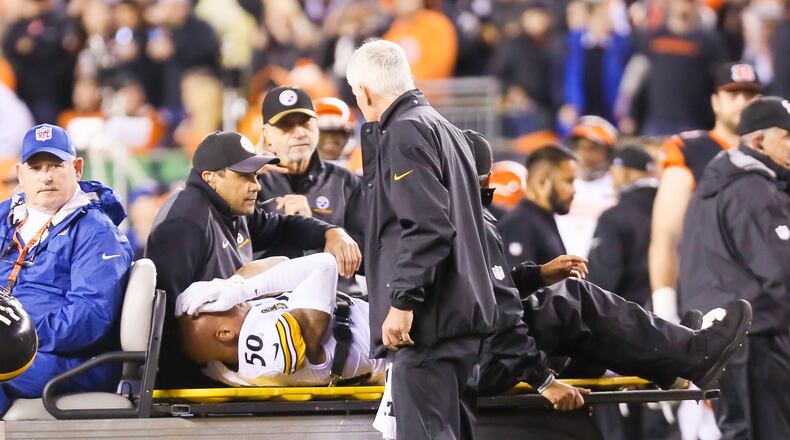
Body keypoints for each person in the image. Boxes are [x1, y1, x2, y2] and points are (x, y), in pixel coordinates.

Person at [346, 40, 496, 440]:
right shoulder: (442, 126)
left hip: (429, 324)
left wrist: (403, 301)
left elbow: (428, 226)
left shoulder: (404, 131)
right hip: (459, 320)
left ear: (364, 92)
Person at [145, 130, 361, 388]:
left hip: (238, 351)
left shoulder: (229, 208)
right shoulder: (186, 221)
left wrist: (330, 231)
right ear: (210, 177)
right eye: (244, 176)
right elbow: (164, 319)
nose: (256, 185)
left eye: (256, 176)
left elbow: (283, 227)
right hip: (201, 371)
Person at [0, 124, 133, 416]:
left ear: (77, 168)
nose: (45, 176)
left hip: (73, 360)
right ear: (21, 174)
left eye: (56, 165)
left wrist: (15, 334)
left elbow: (89, 317)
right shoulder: (6, 217)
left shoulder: (96, 231)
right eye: (36, 168)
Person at [678, 96, 790, 439]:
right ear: (758, 141)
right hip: (756, 339)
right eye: (788, 137)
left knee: (741, 432)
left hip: (722, 339)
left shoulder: (715, 186)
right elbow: (782, 274)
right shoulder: (753, 190)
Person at [649, 62, 762, 323]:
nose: (743, 102)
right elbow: (666, 236)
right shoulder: (691, 149)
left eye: (750, 95)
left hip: (766, 298)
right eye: (733, 95)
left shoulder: (776, 152)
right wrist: (664, 306)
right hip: (708, 296)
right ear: (715, 102)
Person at [174, 253, 386, 387]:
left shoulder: (220, 357)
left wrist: (230, 284)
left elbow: (282, 263)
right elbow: (324, 264)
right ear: (225, 334)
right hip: (392, 345)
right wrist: (243, 289)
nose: (223, 300)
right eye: (213, 305)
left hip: (374, 316)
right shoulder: (268, 349)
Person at [254, 87, 365, 271]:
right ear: (266, 134)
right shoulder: (251, 182)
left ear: (316, 126)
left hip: (337, 295)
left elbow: (372, 252)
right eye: (286, 125)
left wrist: (316, 225)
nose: (299, 133)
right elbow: (234, 249)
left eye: (305, 123)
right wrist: (297, 229)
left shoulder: (343, 181)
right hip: (268, 296)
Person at [588, 146, 657, 306]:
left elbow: (604, 276)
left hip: (628, 316)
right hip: (671, 313)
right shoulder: (675, 210)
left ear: (625, 173)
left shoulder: (613, 217)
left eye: (613, 173)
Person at [499, 145, 576, 268]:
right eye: (568, 181)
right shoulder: (519, 224)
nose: (574, 190)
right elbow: (515, 284)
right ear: (542, 182)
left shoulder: (543, 220)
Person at [555, 116, 618, 258]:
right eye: (578, 147)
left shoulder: (617, 188)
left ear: (608, 153)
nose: (583, 154)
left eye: (592, 149)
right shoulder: (557, 184)